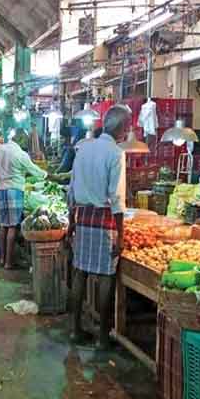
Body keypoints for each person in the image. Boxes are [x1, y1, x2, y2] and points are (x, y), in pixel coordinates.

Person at [68, 105, 130, 350]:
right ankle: (103, 337)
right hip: (104, 220)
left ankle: (75, 330)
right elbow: (117, 197)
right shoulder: (116, 153)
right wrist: (121, 235)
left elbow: (72, 188)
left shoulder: (83, 147)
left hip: (83, 217)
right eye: (129, 125)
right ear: (122, 128)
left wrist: (72, 222)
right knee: (106, 276)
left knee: (80, 273)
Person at [0, 132, 47, 269]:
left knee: (3, 225)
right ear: (20, 140)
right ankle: (9, 262)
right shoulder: (21, 154)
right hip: (15, 191)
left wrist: (1, 175)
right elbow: (34, 170)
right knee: (13, 226)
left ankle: (3, 258)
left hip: (1, 189)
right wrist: (46, 175)